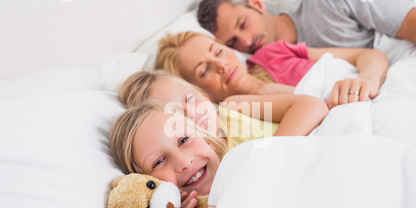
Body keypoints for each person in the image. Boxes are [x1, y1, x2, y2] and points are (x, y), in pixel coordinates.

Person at [109, 99, 327, 208]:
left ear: (206, 139)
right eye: (158, 162)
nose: (185, 163)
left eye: (184, 140)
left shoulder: (250, 159)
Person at [197, 0, 416, 60]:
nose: (247, 42)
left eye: (243, 24)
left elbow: (412, 22)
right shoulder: (267, 66)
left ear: (257, 4)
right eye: (232, 43)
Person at [156, 31, 389, 109]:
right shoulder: (236, 113)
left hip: (380, 94)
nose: (222, 65)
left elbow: (369, 55)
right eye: (204, 71)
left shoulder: (273, 52)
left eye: (217, 52)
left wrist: (368, 80)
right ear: (196, 89)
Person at [117, 70, 329, 154]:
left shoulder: (232, 107)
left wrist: (271, 156)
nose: (192, 112)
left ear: (205, 96)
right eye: (175, 114)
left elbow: (312, 106)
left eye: (191, 98)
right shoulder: (200, 167)